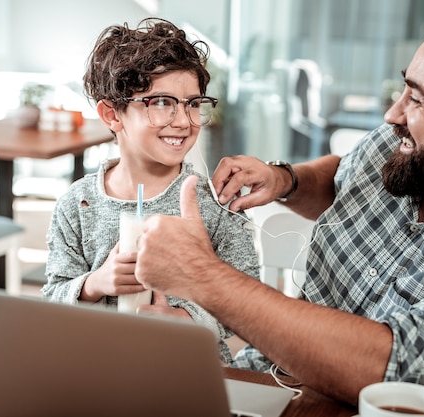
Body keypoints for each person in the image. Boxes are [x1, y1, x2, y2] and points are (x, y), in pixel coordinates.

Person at [133, 8, 424, 407]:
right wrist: (286, 179)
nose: (393, 114)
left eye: (417, 99)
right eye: (403, 89)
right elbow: (344, 177)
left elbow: (397, 366)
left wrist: (201, 275)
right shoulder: (402, 151)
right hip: (266, 386)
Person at [41, 18, 260, 365]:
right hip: (99, 370)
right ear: (113, 114)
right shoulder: (77, 204)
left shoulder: (216, 203)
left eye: (192, 103)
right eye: (161, 102)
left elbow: (249, 300)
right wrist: (95, 284)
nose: (183, 120)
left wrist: (185, 320)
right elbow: (52, 299)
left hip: (189, 369)